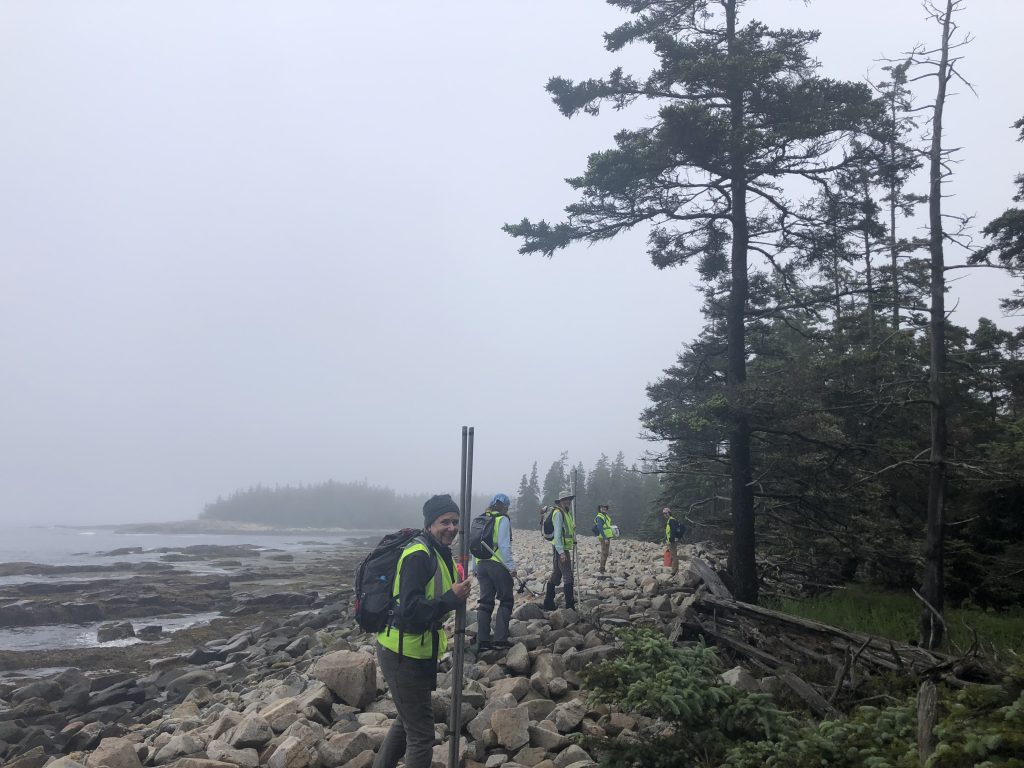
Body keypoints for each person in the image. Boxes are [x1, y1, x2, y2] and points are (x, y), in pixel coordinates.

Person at [373, 494, 472, 768]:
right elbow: (411, 611)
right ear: (430, 524)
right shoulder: (418, 555)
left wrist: (455, 590)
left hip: (418, 650)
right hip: (401, 653)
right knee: (421, 734)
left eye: (455, 522)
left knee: (407, 720)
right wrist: (451, 598)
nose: (451, 528)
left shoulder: (439, 551)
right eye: (445, 522)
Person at [473, 493, 516, 651]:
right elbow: (504, 546)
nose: (507, 509)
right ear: (503, 505)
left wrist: (474, 567)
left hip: (481, 564)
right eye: (507, 506)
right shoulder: (502, 519)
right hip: (497, 564)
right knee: (506, 600)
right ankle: (500, 639)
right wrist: (511, 567)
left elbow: (474, 544)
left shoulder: (481, 518)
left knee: (485, 602)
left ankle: (483, 641)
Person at [543, 490, 576, 611]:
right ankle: (570, 606)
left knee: (556, 574)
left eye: (569, 499)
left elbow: (566, 530)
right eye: (565, 499)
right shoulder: (558, 513)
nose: (568, 501)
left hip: (562, 548)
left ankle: (548, 603)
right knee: (568, 576)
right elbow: (557, 535)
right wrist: (561, 552)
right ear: (560, 501)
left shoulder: (566, 513)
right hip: (560, 548)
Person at [662, 506, 687, 576]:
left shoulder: (671, 520)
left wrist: (670, 540)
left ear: (669, 513)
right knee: (673, 555)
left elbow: (672, 531)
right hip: (672, 540)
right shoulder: (671, 520)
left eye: (666, 513)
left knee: (673, 556)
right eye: (664, 513)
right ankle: (675, 570)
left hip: (672, 541)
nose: (665, 515)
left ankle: (674, 571)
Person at [594, 503, 614, 574]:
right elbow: (600, 528)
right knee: (604, 552)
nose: (604, 509)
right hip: (603, 537)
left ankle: (603, 568)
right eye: (602, 508)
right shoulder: (600, 517)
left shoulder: (605, 516)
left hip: (607, 537)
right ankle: (601, 568)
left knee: (606, 553)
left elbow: (607, 526)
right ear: (600, 509)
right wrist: (605, 538)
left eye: (605, 508)